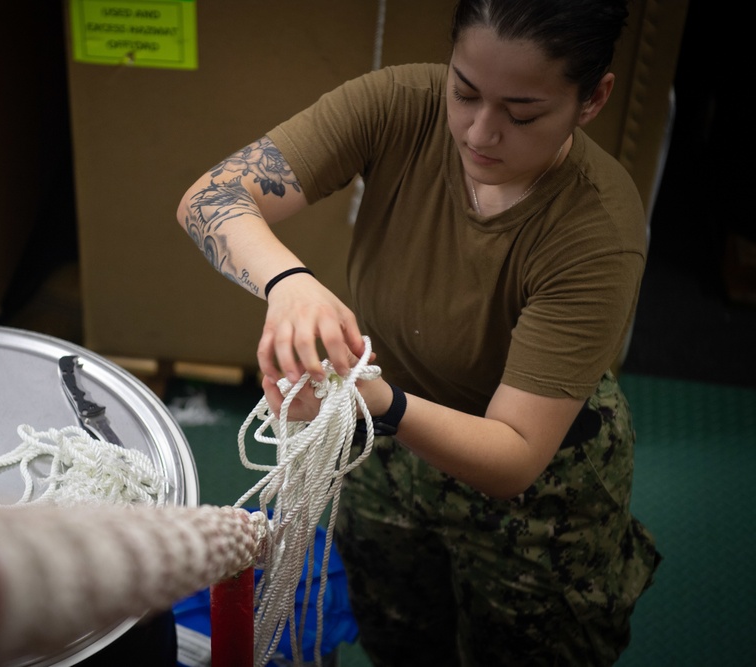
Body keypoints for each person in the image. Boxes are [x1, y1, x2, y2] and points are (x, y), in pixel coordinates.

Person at [176, 0, 661, 664]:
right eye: (464, 91)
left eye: (522, 113)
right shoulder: (401, 104)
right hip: (386, 437)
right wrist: (288, 282)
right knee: (399, 632)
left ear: (592, 99)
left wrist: (375, 401)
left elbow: (515, 454)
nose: (479, 132)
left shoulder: (595, 229)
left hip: (537, 485)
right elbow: (210, 198)